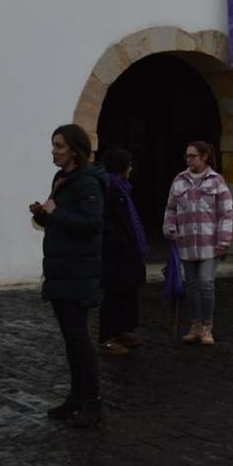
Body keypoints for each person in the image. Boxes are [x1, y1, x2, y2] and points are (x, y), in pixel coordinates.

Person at [30, 124, 107, 427]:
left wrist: (55, 213)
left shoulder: (88, 183)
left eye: (59, 146)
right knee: (70, 338)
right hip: (61, 269)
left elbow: (91, 223)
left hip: (79, 271)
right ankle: (77, 394)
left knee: (78, 337)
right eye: (53, 145)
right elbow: (60, 219)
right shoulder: (62, 179)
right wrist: (43, 213)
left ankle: (93, 400)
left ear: (74, 149)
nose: (54, 151)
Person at [163, 140, 233, 346]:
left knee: (206, 283)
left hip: (209, 244)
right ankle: (195, 324)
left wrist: (224, 239)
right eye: (186, 156)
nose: (188, 159)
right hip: (185, 243)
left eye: (192, 156)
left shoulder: (216, 181)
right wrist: (169, 229)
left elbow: (226, 212)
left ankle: (207, 325)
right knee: (192, 285)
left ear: (204, 157)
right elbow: (171, 209)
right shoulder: (179, 180)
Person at [98, 146, 147, 357]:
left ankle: (122, 330)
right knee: (114, 295)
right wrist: (121, 241)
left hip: (127, 251)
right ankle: (106, 337)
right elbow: (107, 222)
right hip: (116, 253)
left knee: (127, 292)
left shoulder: (122, 188)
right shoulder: (109, 188)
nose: (130, 168)